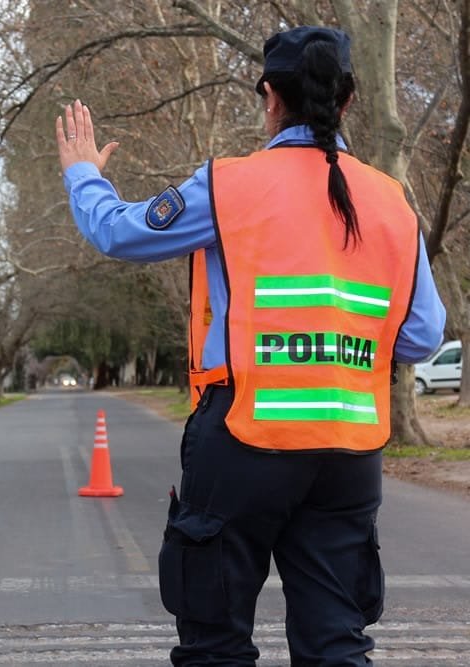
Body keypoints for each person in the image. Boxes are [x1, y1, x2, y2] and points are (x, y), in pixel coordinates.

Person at [55, 26, 447, 666]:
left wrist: (82, 176)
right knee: (335, 644)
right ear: (348, 101)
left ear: (269, 96)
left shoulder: (230, 185)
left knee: (215, 641)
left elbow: (119, 233)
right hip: (349, 452)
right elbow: (422, 335)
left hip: (242, 439)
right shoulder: (392, 201)